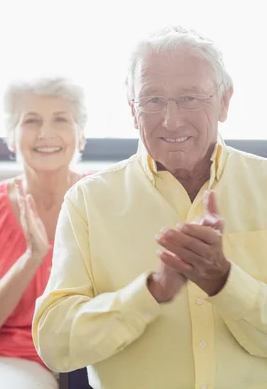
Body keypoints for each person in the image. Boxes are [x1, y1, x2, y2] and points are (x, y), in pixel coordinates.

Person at [32, 26, 267, 389]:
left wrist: (225, 281)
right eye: (153, 100)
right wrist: (150, 293)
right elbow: (55, 345)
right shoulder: (89, 201)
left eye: (190, 98)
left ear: (224, 102)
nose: (171, 120)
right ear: (132, 110)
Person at [0, 77, 89, 389]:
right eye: (31, 121)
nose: (45, 133)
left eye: (60, 119)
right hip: (11, 358)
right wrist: (31, 258)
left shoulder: (103, 198)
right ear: (12, 138)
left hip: (91, 352)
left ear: (80, 135)